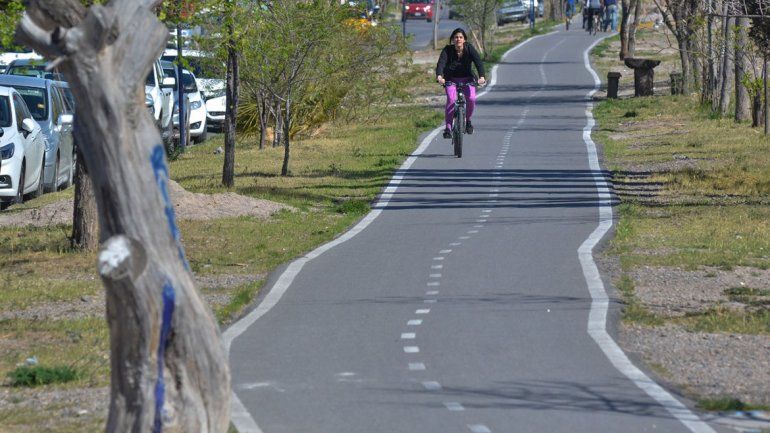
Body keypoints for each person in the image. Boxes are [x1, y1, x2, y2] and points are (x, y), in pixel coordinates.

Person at [436, 28, 486, 139]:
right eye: (456, 37)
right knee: (451, 100)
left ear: (464, 39)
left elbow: (478, 62)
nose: (458, 39)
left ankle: (468, 121)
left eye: (460, 37)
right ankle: (448, 128)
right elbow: (441, 63)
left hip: (468, 79)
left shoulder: (469, 48)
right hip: (451, 80)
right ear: (453, 39)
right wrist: (439, 76)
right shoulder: (447, 50)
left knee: (472, 98)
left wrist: (482, 76)